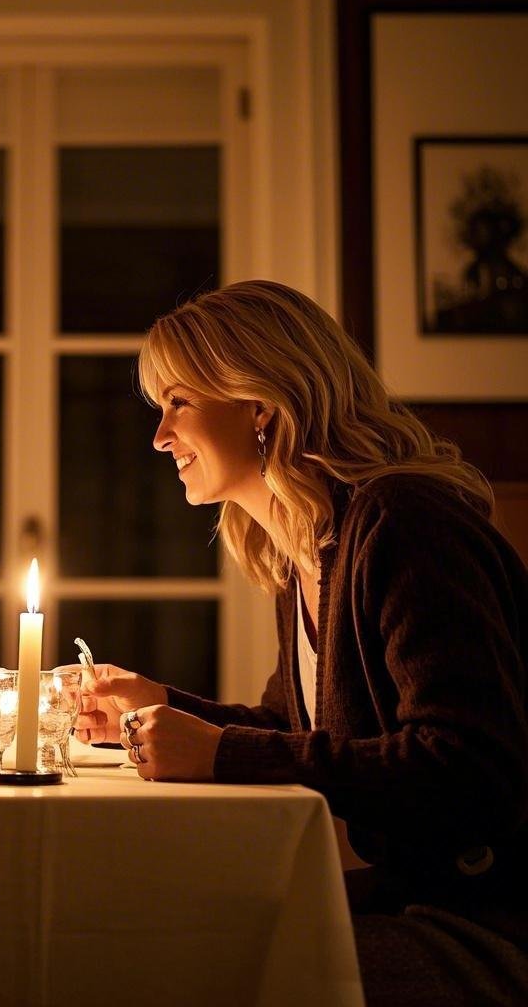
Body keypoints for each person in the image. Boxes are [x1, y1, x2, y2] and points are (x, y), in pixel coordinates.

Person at [73, 280, 528, 1005]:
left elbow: (470, 771)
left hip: (496, 919)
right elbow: (297, 732)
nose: (160, 436)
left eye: (178, 403)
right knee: (158, 937)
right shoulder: (311, 546)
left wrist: (218, 752)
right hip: (421, 897)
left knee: (214, 976)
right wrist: (161, 704)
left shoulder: (403, 522)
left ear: (257, 400)